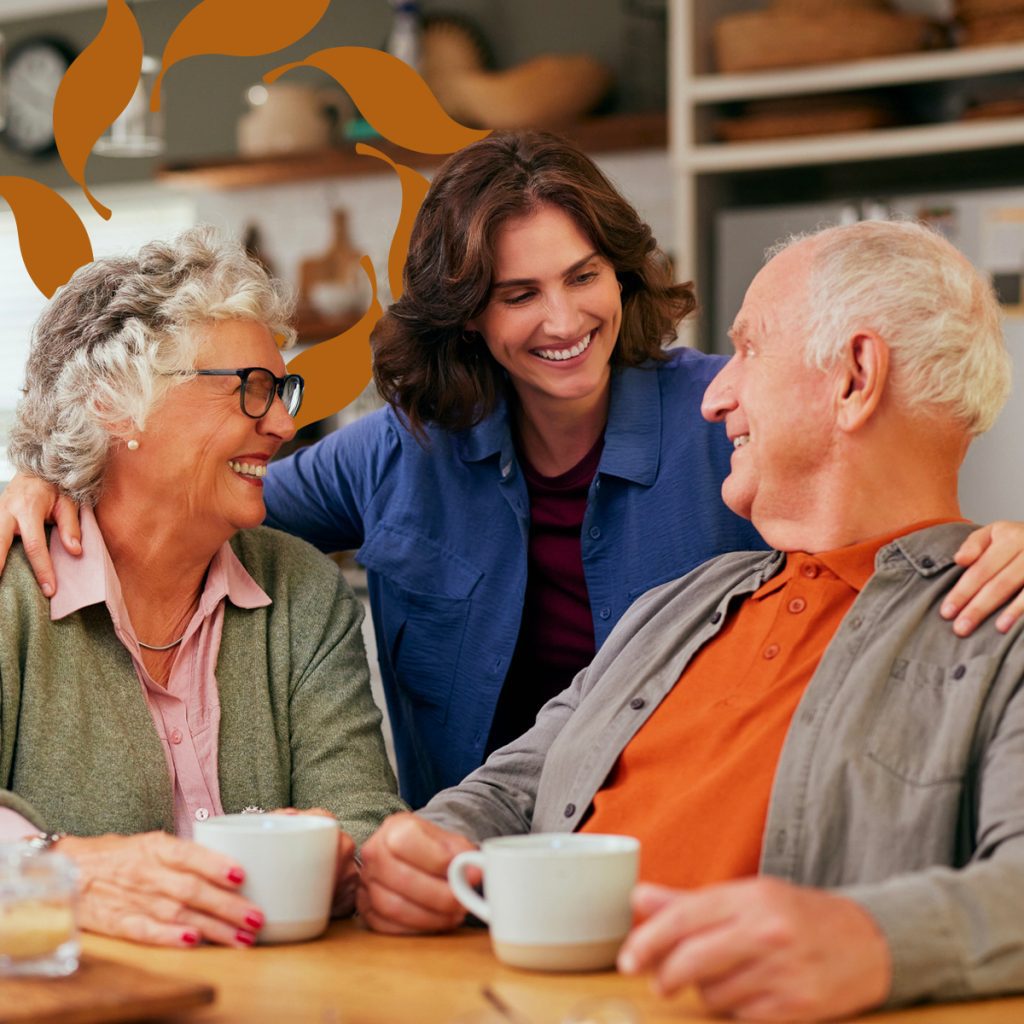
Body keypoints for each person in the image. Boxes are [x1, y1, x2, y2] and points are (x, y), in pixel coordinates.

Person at [2, 134, 1022, 809]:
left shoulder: (730, 409)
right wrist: (56, 485)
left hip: (698, 852)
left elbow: (901, 530)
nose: (564, 319)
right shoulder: (400, 449)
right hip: (470, 861)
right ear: (468, 317)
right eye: (518, 292)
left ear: (620, 275)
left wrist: (1000, 540)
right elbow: (197, 504)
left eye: (585, 278)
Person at [356, 220, 1024, 1019]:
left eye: (749, 349)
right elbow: (511, 788)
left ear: (854, 376)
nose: (714, 396)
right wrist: (431, 844)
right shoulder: (681, 603)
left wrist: (872, 940)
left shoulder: (1001, 625)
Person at [0, 228, 404, 949]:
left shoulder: (303, 590)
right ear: (116, 404)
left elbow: (364, 820)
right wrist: (63, 867)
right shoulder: (12, 589)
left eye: (282, 390)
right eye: (251, 389)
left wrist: (339, 853)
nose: (282, 424)